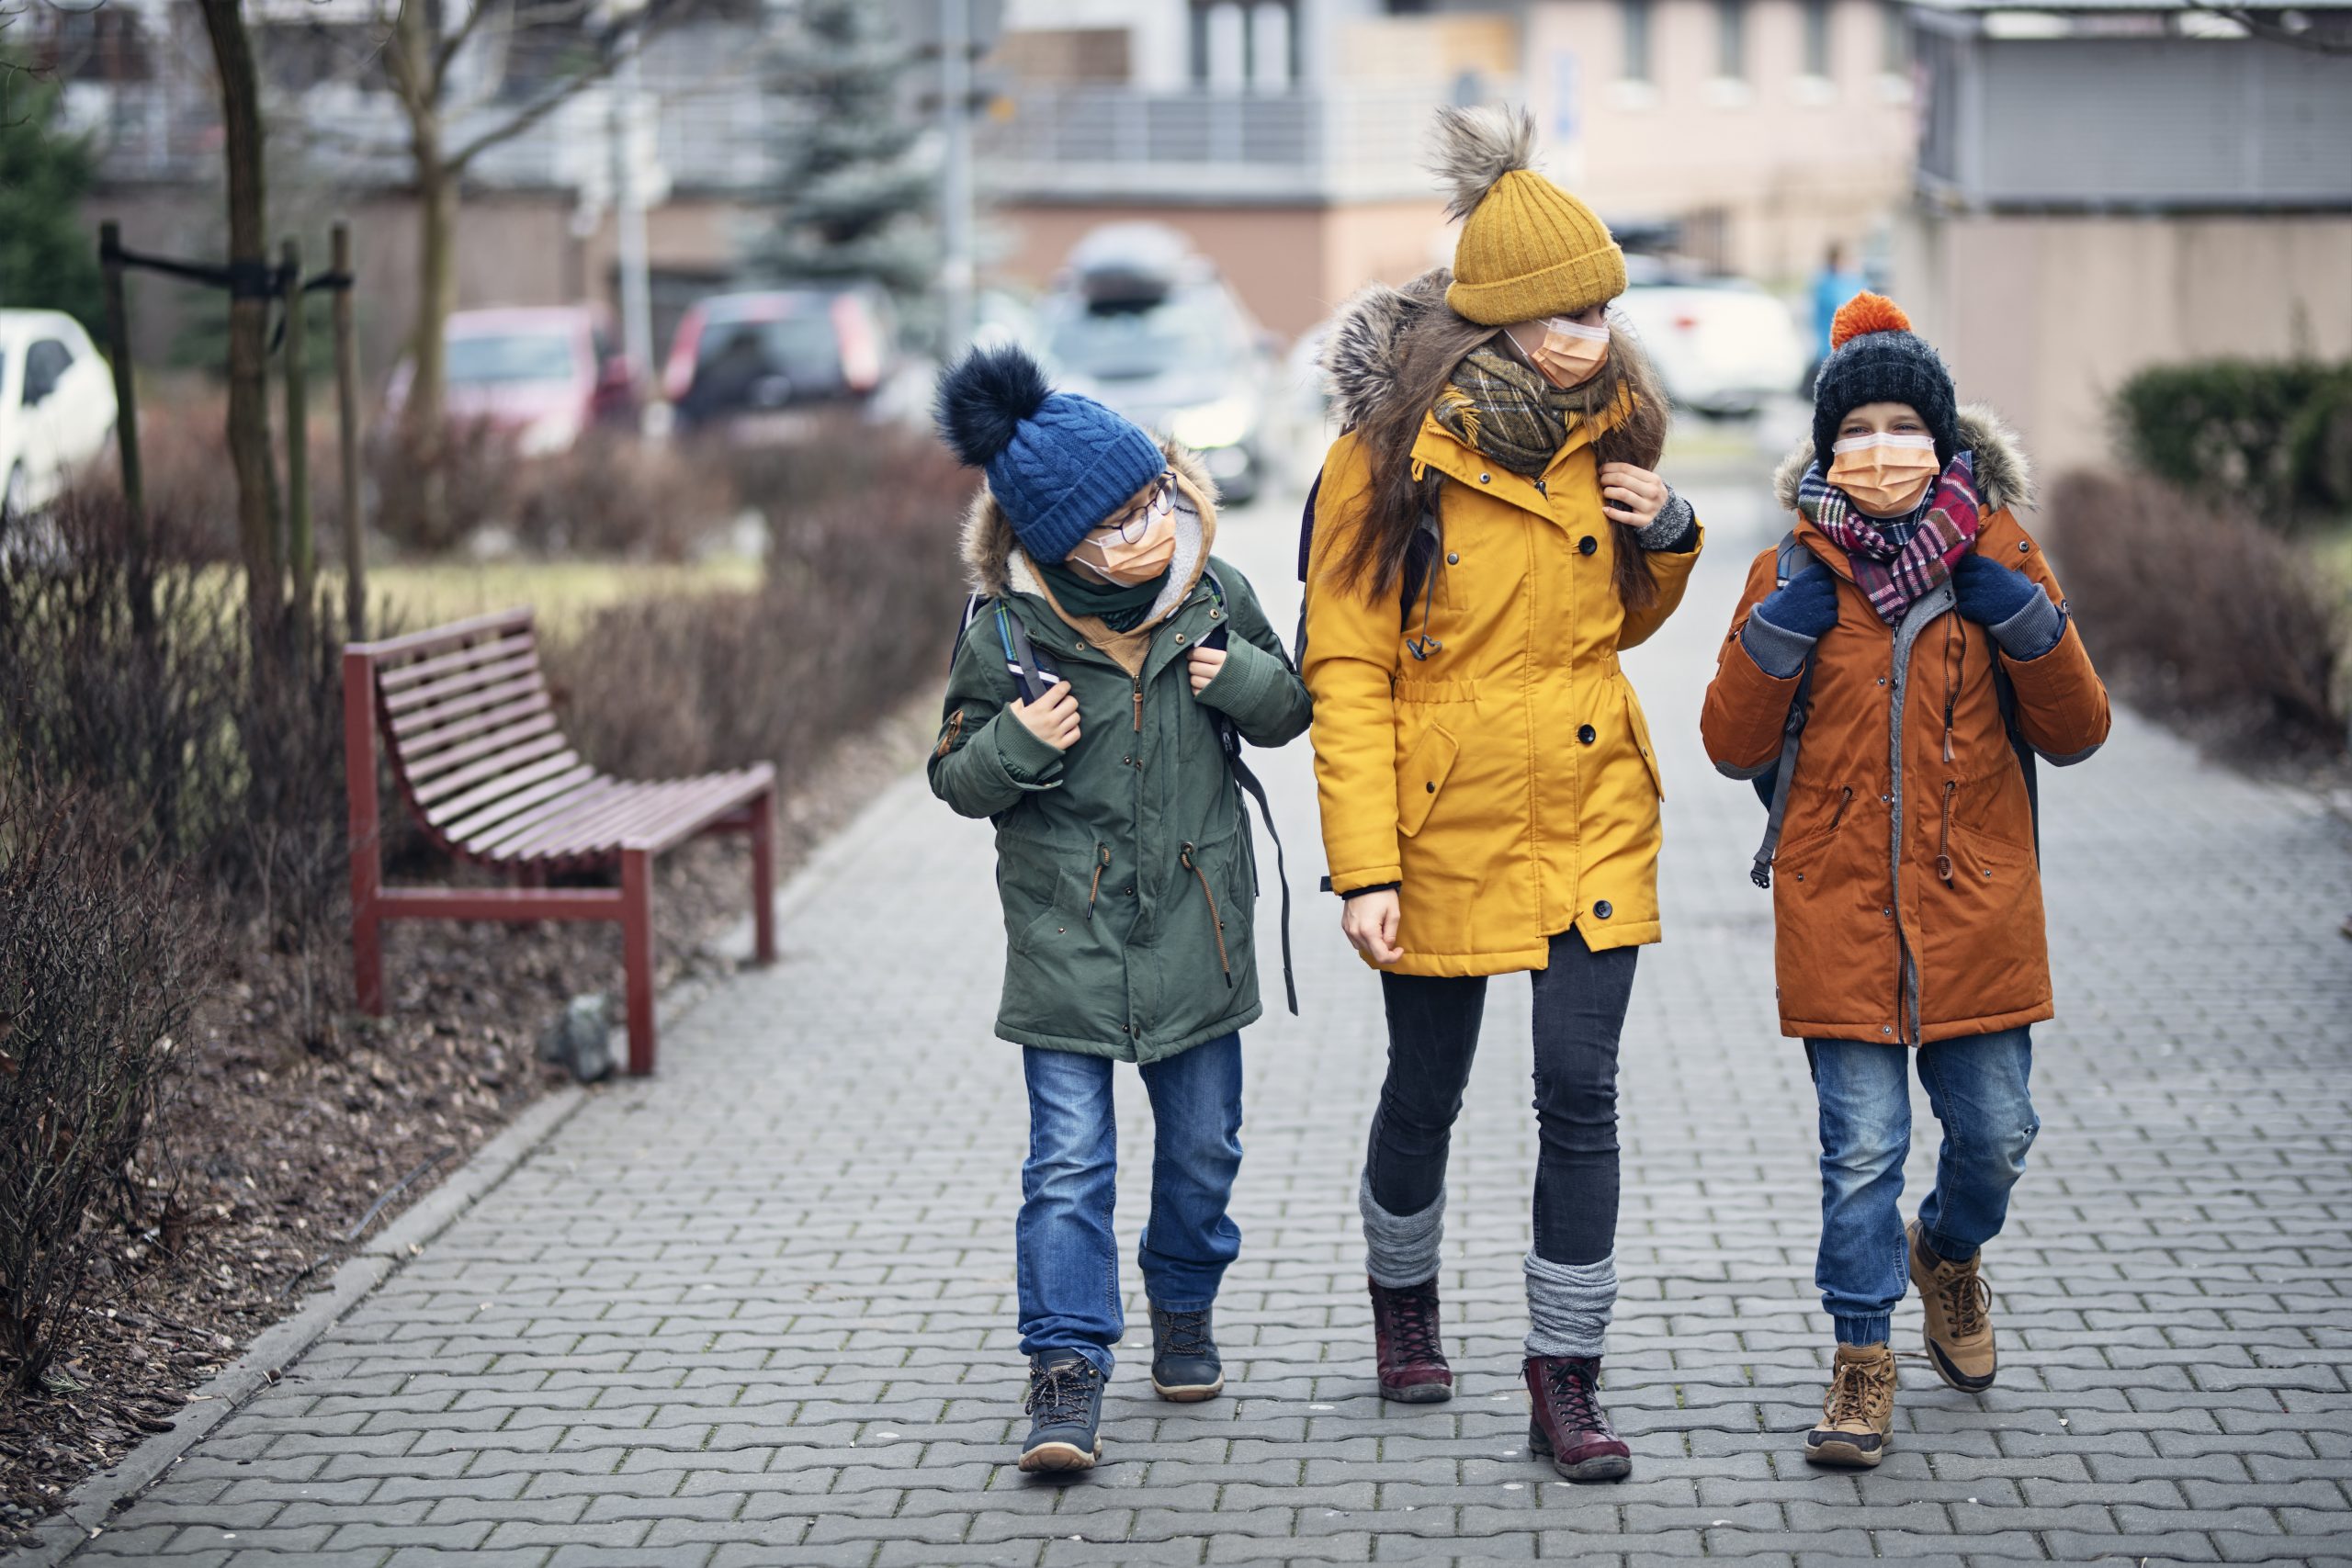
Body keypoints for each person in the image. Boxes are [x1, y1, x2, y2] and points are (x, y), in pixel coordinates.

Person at [1300, 106, 1703, 1484]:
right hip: (1445, 816)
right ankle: (1402, 1299)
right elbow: (1345, 668)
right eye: (1561, 309)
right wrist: (1364, 867)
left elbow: (1619, 625)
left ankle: (1564, 1375)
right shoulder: (1384, 454)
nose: (1588, 328)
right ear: (1497, 317)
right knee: (1428, 1086)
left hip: (1593, 798)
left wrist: (1672, 538)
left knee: (1578, 1093)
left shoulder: (1618, 427)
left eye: (1602, 303)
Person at [1699, 292, 2110, 1470]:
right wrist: (1777, 631)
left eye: (1902, 427)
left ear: (1946, 442)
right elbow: (1730, 746)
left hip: (1975, 904)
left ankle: (1950, 1252)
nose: (1881, 449)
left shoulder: (1999, 551)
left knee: (1997, 1132)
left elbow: (2078, 733)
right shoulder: (1790, 568)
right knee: (1859, 1152)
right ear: (1827, 449)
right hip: (1838, 908)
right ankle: (1860, 1358)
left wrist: (2026, 620)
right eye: (1857, 430)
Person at [928, 344, 1313, 1474]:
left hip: (1196, 926)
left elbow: (1290, 708)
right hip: (1066, 936)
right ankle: (1064, 1365)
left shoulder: (1212, 593)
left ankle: (1184, 1306)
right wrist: (1017, 744)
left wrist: (1233, 678)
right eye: (1113, 522)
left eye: (1150, 501)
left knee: (1202, 1151)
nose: (1145, 531)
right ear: (1054, 544)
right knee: (1067, 1164)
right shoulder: (1007, 631)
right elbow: (954, 775)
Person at [1811, 242, 1867, 376]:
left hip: (1845, 350)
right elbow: (1851, 304)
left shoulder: (1848, 281)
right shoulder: (1827, 284)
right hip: (1830, 351)